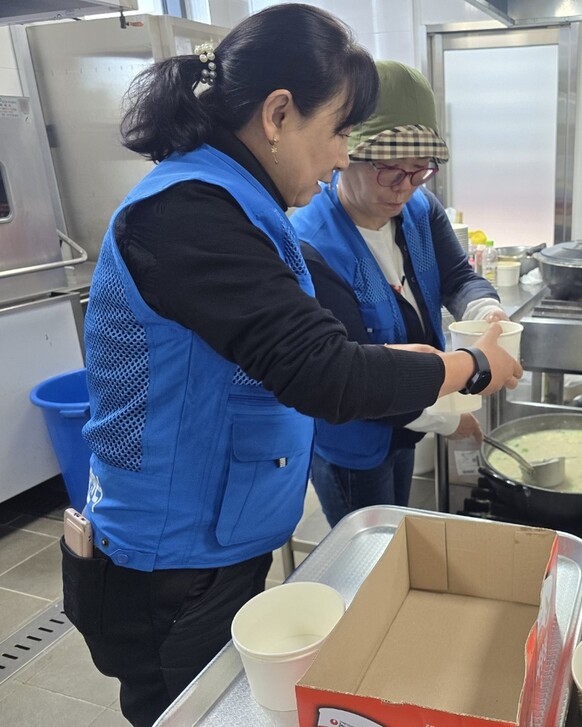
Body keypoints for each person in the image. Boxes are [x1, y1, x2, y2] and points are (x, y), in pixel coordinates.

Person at [63, 6, 521, 726]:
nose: (344, 155)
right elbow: (323, 373)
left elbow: (286, 353)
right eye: (340, 130)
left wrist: (402, 358)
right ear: (278, 114)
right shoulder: (189, 211)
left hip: (216, 543)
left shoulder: (239, 198)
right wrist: (465, 364)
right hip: (169, 567)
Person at [291, 60, 506, 526]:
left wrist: (487, 311)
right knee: (371, 555)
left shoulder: (419, 209)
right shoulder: (312, 245)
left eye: (419, 171)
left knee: (398, 525)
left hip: (411, 414)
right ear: (347, 153)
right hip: (352, 438)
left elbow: (457, 277)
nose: (405, 188)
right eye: (390, 171)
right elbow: (356, 375)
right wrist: (446, 419)